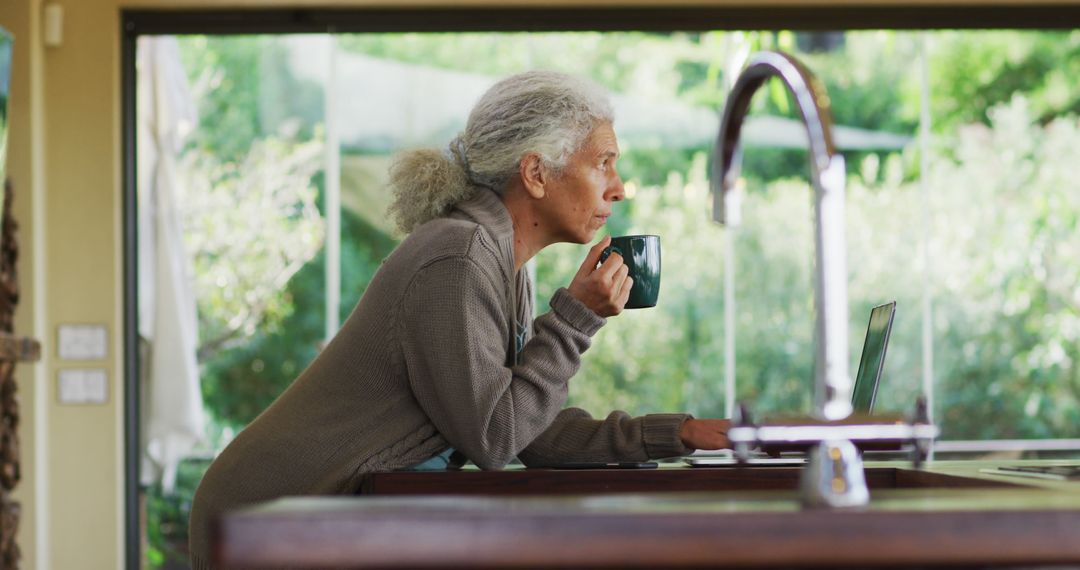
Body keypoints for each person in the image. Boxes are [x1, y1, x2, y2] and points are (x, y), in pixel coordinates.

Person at [188, 70, 731, 569]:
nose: (618, 187)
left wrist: (676, 433)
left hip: (315, 520)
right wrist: (574, 319)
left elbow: (526, 431)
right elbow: (495, 439)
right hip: (271, 520)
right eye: (603, 163)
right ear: (537, 173)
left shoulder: (501, 262)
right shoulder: (459, 258)